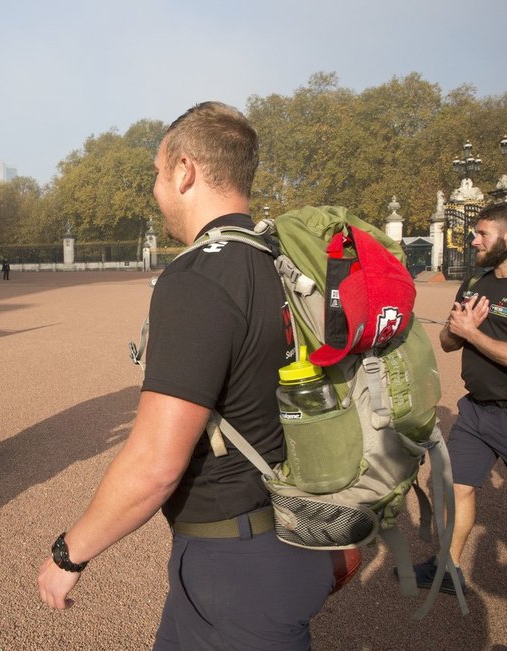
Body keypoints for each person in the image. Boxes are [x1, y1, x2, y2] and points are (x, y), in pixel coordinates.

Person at [36, 102, 333, 650]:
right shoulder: (283, 262)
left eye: (156, 171)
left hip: (236, 562)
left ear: (185, 170)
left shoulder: (197, 277)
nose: (155, 187)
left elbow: (154, 465)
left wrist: (69, 552)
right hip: (297, 526)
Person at [423, 201, 507, 594]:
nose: (472, 241)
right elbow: (446, 340)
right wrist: (460, 329)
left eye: (481, 234)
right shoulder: (475, 283)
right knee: (455, 484)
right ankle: (448, 568)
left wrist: (472, 333)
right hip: (475, 411)